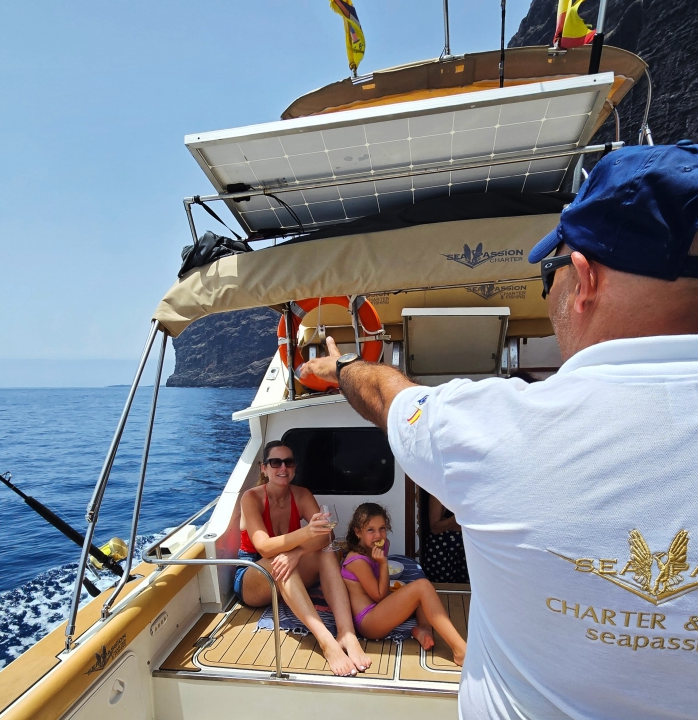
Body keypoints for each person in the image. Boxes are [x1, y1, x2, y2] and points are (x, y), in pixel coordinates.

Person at [299, 142, 698, 718]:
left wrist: (338, 369)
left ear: (584, 277)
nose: (552, 286)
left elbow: (385, 394)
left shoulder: (491, 426)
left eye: (550, 271)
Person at [235, 440, 371, 676]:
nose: (282, 468)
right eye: (275, 462)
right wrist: (306, 533)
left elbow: (327, 534)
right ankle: (326, 641)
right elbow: (265, 548)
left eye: (288, 462)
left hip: (286, 570)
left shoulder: (301, 494)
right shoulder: (252, 498)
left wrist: (297, 553)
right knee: (279, 562)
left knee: (326, 553)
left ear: (295, 467)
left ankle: (347, 634)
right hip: (253, 577)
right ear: (263, 468)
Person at [341, 502, 467, 665]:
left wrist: (382, 562)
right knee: (422, 587)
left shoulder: (382, 545)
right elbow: (380, 596)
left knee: (421, 589)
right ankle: (460, 650)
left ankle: (423, 629)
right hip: (368, 621)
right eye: (370, 530)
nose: (378, 535)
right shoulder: (357, 560)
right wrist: (383, 563)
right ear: (358, 532)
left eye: (382, 528)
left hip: (379, 608)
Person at [424, 493, 469, 584]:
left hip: (468, 544)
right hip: (443, 547)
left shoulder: (471, 494)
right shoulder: (439, 493)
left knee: (468, 586)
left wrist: (447, 521)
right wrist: (459, 515)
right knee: (442, 586)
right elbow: (435, 528)